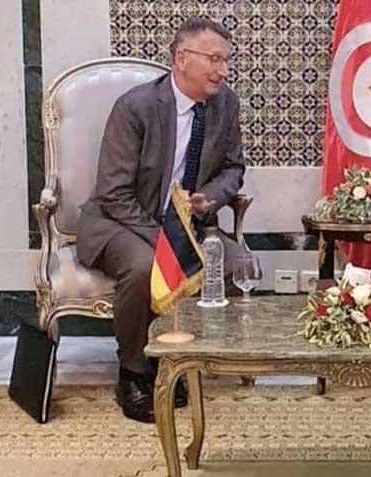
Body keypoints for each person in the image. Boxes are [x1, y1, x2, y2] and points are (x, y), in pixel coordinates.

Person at [77, 17, 246, 423]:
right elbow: (114, 193)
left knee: (236, 263)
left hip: (185, 221)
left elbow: (233, 169)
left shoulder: (226, 104)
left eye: (226, 60)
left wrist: (212, 196)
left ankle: (179, 359)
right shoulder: (136, 107)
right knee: (145, 267)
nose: (223, 70)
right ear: (182, 58)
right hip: (119, 221)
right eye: (214, 59)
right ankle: (133, 372)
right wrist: (167, 242)